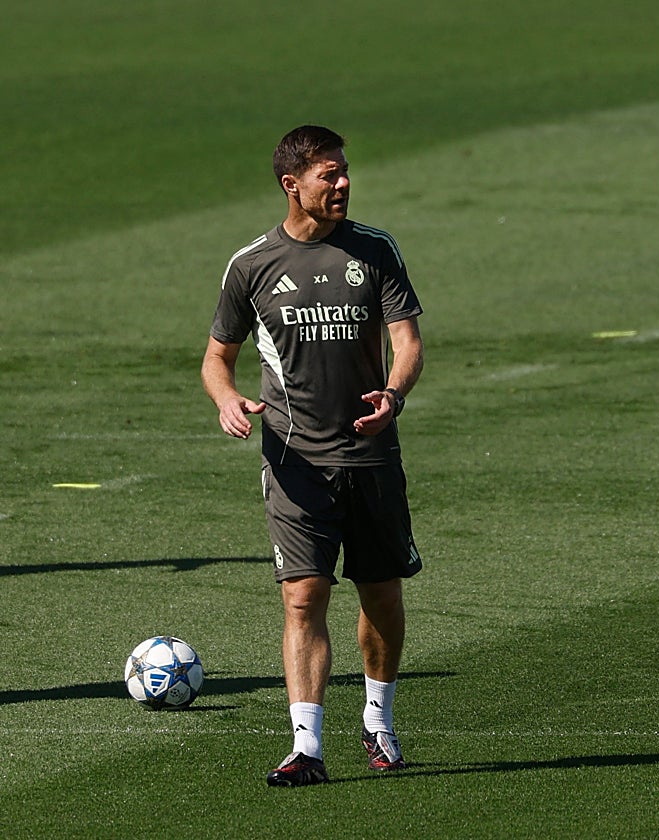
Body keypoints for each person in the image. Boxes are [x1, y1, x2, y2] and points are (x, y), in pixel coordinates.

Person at [201, 125, 425, 787]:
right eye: (330, 174)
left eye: (346, 171)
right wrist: (226, 399)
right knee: (303, 597)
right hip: (294, 462)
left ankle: (378, 721)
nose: (344, 183)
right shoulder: (252, 266)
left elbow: (407, 341)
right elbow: (218, 358)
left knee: (381, 594)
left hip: (371, 458)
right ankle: (306, 747)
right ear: (290, 185)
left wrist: (392, 393)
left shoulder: (374, 250)